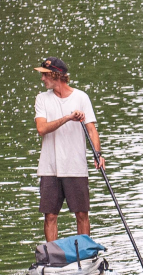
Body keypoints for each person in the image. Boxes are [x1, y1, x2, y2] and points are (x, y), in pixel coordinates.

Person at [34, 58, 102, 242]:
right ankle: (52, 257)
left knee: (81, 214)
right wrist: (67, 117)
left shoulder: (81, 98)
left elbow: (91, 129)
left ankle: (86, 256)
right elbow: (41, 129)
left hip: (75, 166)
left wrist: (98, 154)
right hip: (50, 167)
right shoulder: (42, 99)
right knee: (50, 216)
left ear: (55, 75)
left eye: (44, 74)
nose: (42, 79)